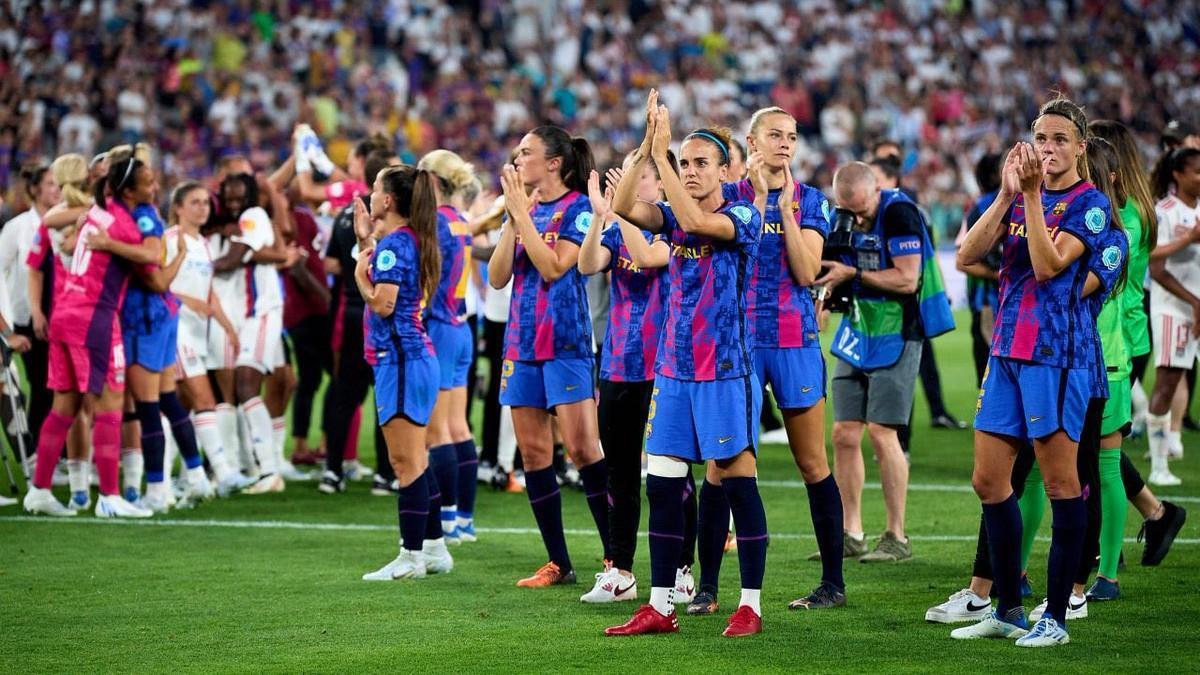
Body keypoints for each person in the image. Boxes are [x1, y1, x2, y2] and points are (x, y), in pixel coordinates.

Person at [606, 92, 767, 638]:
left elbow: (698, 220)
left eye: (702, 163)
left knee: (739, 484)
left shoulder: (742, 214)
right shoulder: (674, 213)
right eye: (686, 162)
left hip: (724, 372)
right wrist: (648, 152)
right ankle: (659, 605)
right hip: (674, 371)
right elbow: (625, 208)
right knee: (663, 484)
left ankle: (750, 605)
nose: (691, 170)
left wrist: (668, 150)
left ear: (727, 169)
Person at [955, 97, 1111, 647]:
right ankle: (1007, 608)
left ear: (1080, 147)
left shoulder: (1091, 206)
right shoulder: (1019, 196)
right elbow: (965, 254)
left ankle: (1057, 619)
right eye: (1041, 138)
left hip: (1055, 356)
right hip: (1006, 351)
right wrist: (1004, 195)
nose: (1048, 148)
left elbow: (1047, 268)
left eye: (1060, 139)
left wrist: (1031, 196)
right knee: (988, 481)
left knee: (1061, 482)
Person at [713, 106, 845, 611]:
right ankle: (706, 586)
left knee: (813, 462)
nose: (786, 143)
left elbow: (809, 270)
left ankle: (832, 583)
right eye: (775, 135)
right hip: (737, 343)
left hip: (793, 340)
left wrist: (785, 210)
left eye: (791, 136)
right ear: (751, 140)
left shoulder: (810, 200)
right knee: (722, 467)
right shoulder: (726, 199)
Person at [486, 125, 610, 589]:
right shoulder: (523, 210)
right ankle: (559, 562)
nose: (517, 161)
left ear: (554, 163)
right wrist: (515, 219)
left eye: (526, 153)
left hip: (566, 344)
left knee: (581, 449)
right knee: (535, 454)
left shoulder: (579, 208)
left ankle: (615, 559)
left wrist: (522, 216)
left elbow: (556, 266)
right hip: (521, 344)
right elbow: (498, 277)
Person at [577, 152, 697, 605]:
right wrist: (598, 218)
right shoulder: (614, 230)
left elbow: (647, 258)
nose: (631, 181)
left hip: (664, 365)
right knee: (619, 471)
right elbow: (589, 265)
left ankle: (683, 568)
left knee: (671, 471)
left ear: (662, 184)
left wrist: (619, 212)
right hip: (617, 365)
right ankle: (619, 570)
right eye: (627, 174)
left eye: (639, 175)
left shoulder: (677, 231)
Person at [818, 160, 953, 563]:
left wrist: (851, 274)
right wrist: (826, 297)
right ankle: (851, 531)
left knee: (881, 432)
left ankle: (896, 535)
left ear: (876, 189)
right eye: (848, 210)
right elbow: (834, 269)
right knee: (843, 433)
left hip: (898, 332)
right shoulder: (842, 216)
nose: (856, 218)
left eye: (861, 210)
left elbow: (908, 279)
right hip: (859, 330)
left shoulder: (900, 213)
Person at [23, 156, 163, 518]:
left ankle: (39, 490)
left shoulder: (93, 214)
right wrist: (125, 248)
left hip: (65, 312)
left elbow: (59, 233)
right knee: (111, 405)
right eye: (148, 183)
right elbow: (152, 262)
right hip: (95, 318)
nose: (154, 188)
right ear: (128, 190)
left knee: (64, 406)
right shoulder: (120, 222)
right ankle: (111, 497)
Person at [356, 165, 452, 581]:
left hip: (401, 360)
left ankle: (410, 558)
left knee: (405, 462)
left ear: (389, 200)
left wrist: (361, 278)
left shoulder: (396, 243)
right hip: (415, 358)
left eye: (376, 188)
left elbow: (384, 303)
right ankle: (434, 549)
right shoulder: (411, 239)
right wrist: (367, 241)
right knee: (417, 459)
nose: (371, 194)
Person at [209, 173, 300, 493]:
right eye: (229, 198)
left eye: (240, 198)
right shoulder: (233, 225)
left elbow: (234, 260)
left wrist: (194, 266)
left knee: (247, 384)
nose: (235, 205)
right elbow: (267, 253)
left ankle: (269, 469)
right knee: (238, 388)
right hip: (244, 316)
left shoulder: (253, 217)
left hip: (260, 312)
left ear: (250, 198)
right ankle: (255, 465)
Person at [162, 181, 254, 496]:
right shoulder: (169, 240)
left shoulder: (201, 243)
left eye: (205, 202)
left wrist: (227, 326)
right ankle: (224, 471)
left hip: (197, 334)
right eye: (195, 202)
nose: (203, 208)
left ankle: (170, 479)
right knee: (204, 399)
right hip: (175, 330)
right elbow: (156, 283)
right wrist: (187, 301)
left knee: (178, 407)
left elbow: (209, 291)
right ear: (178, 208)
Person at [318, 153, 399, 495]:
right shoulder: (393, 219)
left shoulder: (343, 215)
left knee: (343, 394)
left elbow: (331, 264)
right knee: (384, 392)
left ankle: (332, 472)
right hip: (381, 312)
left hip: (348, 313)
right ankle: (385, 474)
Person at [417, 149, 481, 543]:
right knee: (458, 427)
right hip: (461, 327)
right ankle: (464, 519)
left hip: (439, 327)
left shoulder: (436, 224)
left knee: (436, 432)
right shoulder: (461, 221)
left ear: (435, 182)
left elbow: (425, 281)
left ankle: (446, 519)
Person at [1143, 147, 1200, 486]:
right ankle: (1159, 466)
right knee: (1167, 383)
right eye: (1196, 171)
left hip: (1197, 305)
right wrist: (1190, 239)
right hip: (1173, 309)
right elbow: (1155, 263)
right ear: (1178, 174)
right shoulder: (1164, 212)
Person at [0, 164, 59, 457]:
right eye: (49, 183)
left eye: (58, 183)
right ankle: (38, 451)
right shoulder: (18, 228)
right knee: (41, 384)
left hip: (59, 316)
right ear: (34, 189)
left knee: (54, 387)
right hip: (24, 319)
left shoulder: (65, 223)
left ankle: (49, 452)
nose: (56, 189)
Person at [956, 153, 1004, 387]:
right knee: (989, 382)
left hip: (1017, 307)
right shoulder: (983, 206)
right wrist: (997, 274)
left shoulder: (1038, 200)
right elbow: (961, 260)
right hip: (988, 305)